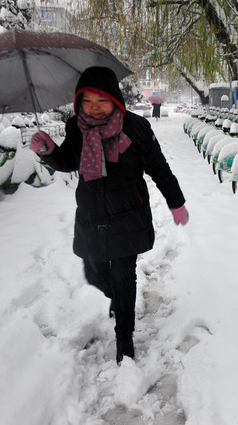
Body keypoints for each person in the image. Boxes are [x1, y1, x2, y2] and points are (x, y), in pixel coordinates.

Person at [30, 66, 189, 364]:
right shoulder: (76, 128)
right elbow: (68, 160)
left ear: (115, 100)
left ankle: (124, 338)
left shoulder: (136, 128)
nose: (94, 107)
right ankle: (116, 297)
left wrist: (176, 202)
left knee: (123, 275)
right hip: (92, 214)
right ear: (79, 103)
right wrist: (48, 151)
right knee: (95, 273)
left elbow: (159, 169)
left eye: (101, 100)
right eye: (87, 101)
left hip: (127, 214)